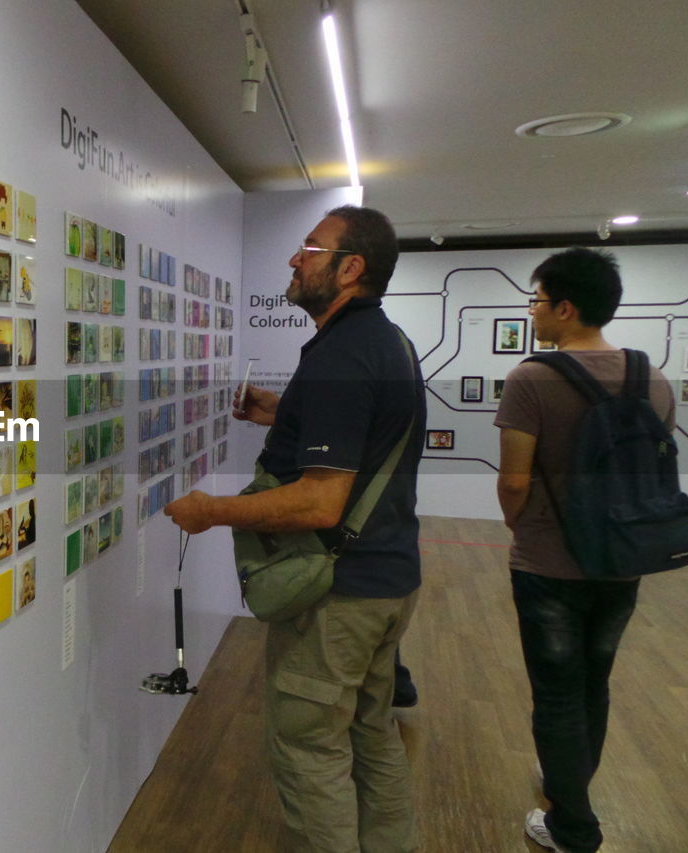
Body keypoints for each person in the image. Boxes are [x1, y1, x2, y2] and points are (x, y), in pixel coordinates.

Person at [164, 205, 425, 852]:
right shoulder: (384, 341)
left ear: (350, 268)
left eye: (310, 248)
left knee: (309, 751)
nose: (294, 259)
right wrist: (283, 414)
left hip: (340, 593)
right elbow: (365, 434)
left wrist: (212, 511)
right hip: (388, 579)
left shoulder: (344, 353)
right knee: (371, 735)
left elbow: (319, 504)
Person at [494, 248, 673, 853]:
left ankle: (573, 824)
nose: (533, 311)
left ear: (565, 308)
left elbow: (515, 480)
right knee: (594, 682)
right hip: (623, 560)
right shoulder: (653, 377)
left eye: (537, 300)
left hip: (549, 564)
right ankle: (568, 778)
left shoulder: (531, 378)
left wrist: (521, 526)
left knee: (557, 692)